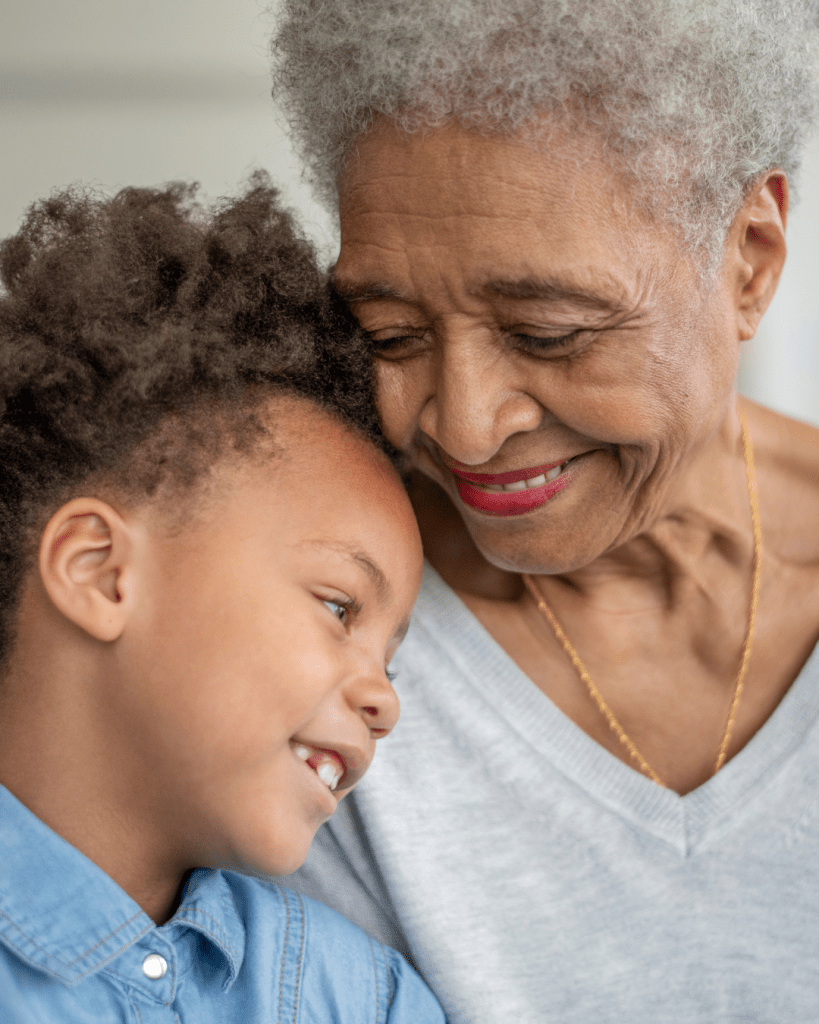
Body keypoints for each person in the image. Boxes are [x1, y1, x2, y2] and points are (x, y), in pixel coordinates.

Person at [271, 1, 819, 1020]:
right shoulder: (307, 647)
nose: (465, 428)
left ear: (748, 257)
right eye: (391, 335)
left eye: (550, 331)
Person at [0, 178, 446, 1023]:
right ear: (99, 572)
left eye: (390, 657)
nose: (384, 701)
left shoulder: (358, 999)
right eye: (341, 608)